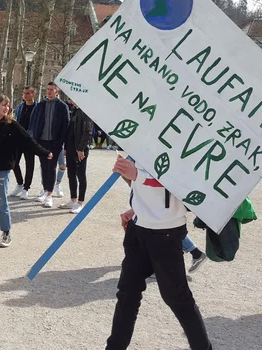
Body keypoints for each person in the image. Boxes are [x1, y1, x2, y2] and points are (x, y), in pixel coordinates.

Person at [107, 154, 212, 350]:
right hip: (139, 227)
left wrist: (137, 175)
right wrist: (137, 208)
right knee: (127, 294)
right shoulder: (142, 137)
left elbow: (178, 182)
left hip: (166, 230)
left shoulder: (181, 138)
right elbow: (143, 179)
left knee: (177, 298)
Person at [0, 95, 51, 248]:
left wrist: (44, 152)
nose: (6, 108)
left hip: (2, 167)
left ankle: (6, 232)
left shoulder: (12, 125)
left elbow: (28, 140)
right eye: (4, 105)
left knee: (1, 200)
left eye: (8, 106)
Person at [28, 81, 69, 208]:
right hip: (41, 141)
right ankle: (45, 191)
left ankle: (50, 195)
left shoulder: (62, 106)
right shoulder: (40, 105)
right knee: (44, 166)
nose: (49, 91)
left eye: (52, 89)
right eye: (47, 89)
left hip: (54, 142)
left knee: (51, 167)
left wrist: (61, 143)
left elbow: (65, 125)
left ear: (57, 91)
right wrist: (34, 139)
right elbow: (34, 122)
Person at [58, 98, 93, 214]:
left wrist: (81, 149)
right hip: (72, 149)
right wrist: (67, 148)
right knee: (71, 174)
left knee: (81, 175)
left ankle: (80, 202)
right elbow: (70, 132)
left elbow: (88, 132)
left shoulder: (86, 112)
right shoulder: (75, 111)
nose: (70, 100)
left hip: (80, 150)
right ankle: (73, 199)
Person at [10, 86, 38, 200]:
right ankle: (20, 183)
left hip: (30, 139)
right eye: (24, 93)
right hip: (19, 138)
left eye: (27, 93)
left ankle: (26, 188)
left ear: (33, 95)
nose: (25, 95)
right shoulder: (20, 106)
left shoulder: (37, 108)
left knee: (29, 164)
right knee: (14, 162)